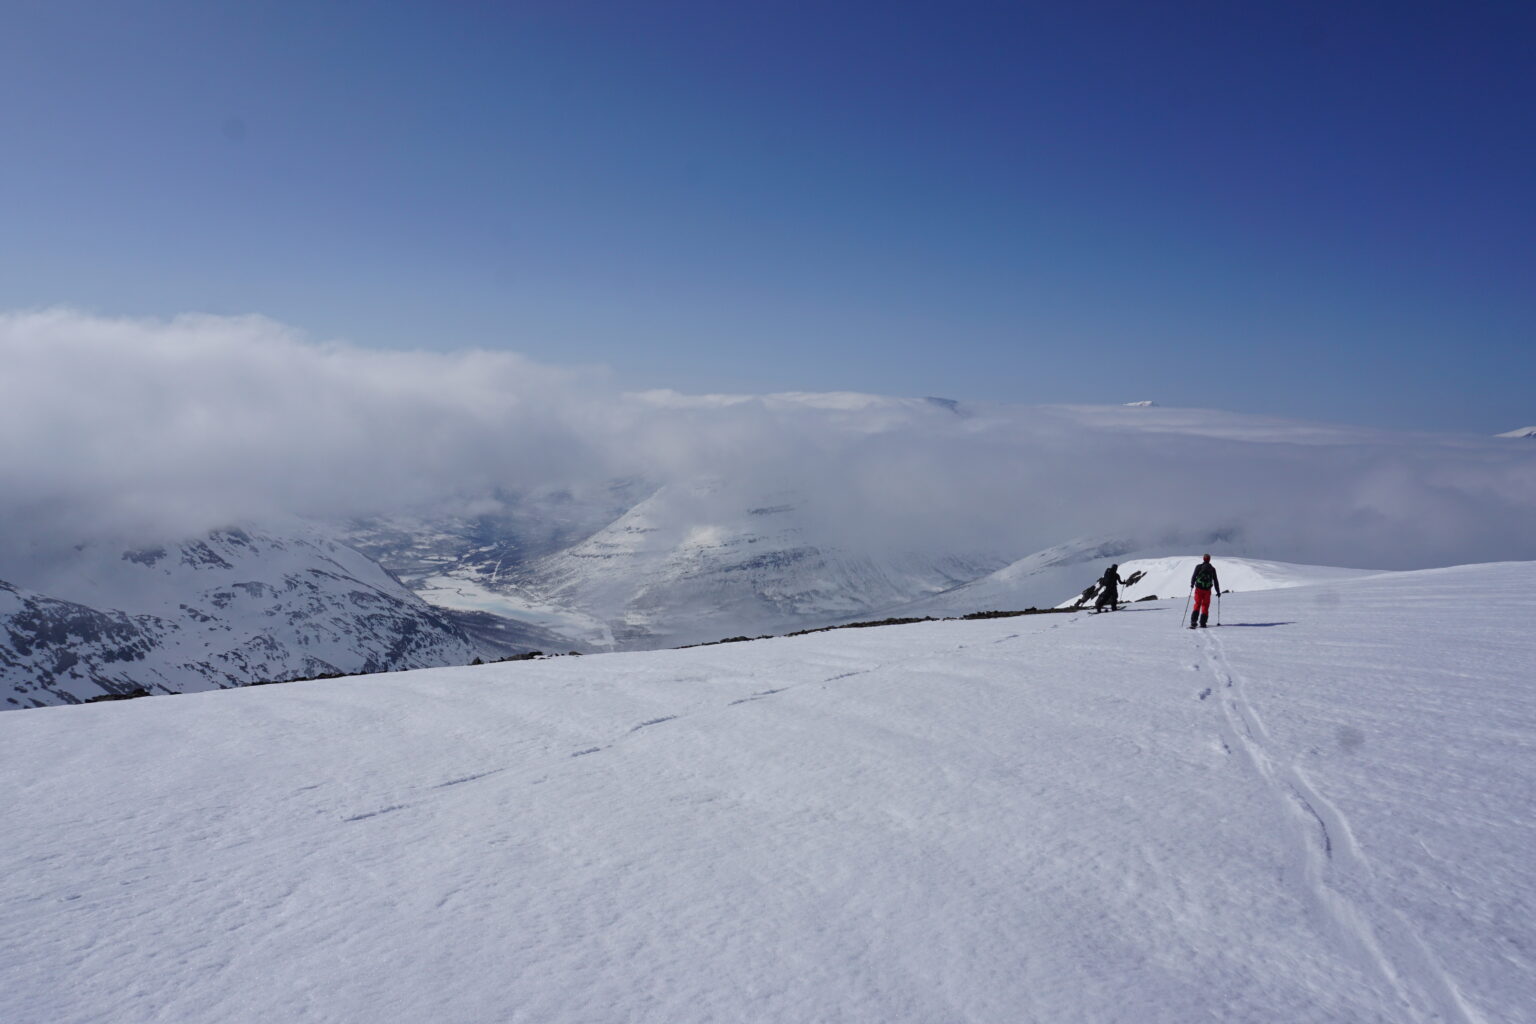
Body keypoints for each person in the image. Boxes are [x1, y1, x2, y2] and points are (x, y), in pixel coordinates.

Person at [1190, 554, 1222, 628]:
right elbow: (1215, 581)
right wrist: (1218, 591)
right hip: (1207, 590)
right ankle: (1203, 622)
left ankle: (1193, 621)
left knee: (1197, 604)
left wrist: (1192, 584)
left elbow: (1194, 576)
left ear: (1203, 559)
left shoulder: (1198, 567)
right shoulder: (1212, 569)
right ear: (1209, 559)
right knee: (1205, 605)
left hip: (1198, 589)